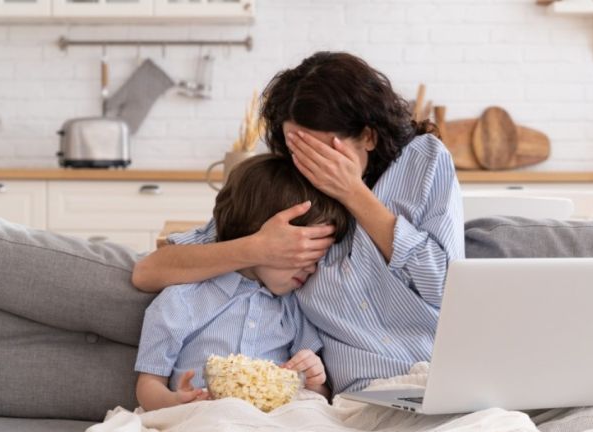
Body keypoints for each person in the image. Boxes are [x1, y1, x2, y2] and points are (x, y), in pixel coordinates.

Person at [132, 51, 465, 394]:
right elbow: (149, 272)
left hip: (442, 374)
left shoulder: (423, 161)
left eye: (323, 153)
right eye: (298, 152)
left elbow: (448, 289)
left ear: (368, 136)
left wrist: (353, 193)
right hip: (363, 396)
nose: (312, 167)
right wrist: (258, 247)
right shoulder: (292, 190)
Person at [134, 154, 351, 411]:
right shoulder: (182, 300)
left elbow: (317, 392)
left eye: (317, 258)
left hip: (272, 423)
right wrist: (173, 401)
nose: (312, 267)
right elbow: (148, 384)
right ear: (261, 234)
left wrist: (315, 380)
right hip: (198, 415)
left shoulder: (294, 307)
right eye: (302, 253)